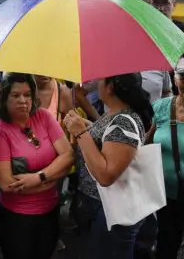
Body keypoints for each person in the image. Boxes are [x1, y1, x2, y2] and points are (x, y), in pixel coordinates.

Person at [64, 73, 153, 259]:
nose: (97, 84)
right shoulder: (115, 112)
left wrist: (81, 133)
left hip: (112, 210)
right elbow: (106, 139)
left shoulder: (124, 122)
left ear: (111, 87)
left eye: (101, 80)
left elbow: (105, 175)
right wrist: (88, 127)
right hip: (101, 205)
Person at [0, 73, 74, 259]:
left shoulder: (43, 117)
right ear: (4, 98)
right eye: (16, 95)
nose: (23, 100)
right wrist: (55, 174)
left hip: (50, 212)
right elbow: (7, 184)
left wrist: (39, 177)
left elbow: (68, 155)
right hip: (16, 219)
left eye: (27, 94)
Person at [150, 59, 184, 259]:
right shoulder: (161, 107)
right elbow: (146, 142)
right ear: (175, 78)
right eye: (183, 76)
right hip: (166, 194)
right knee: (166, 244)